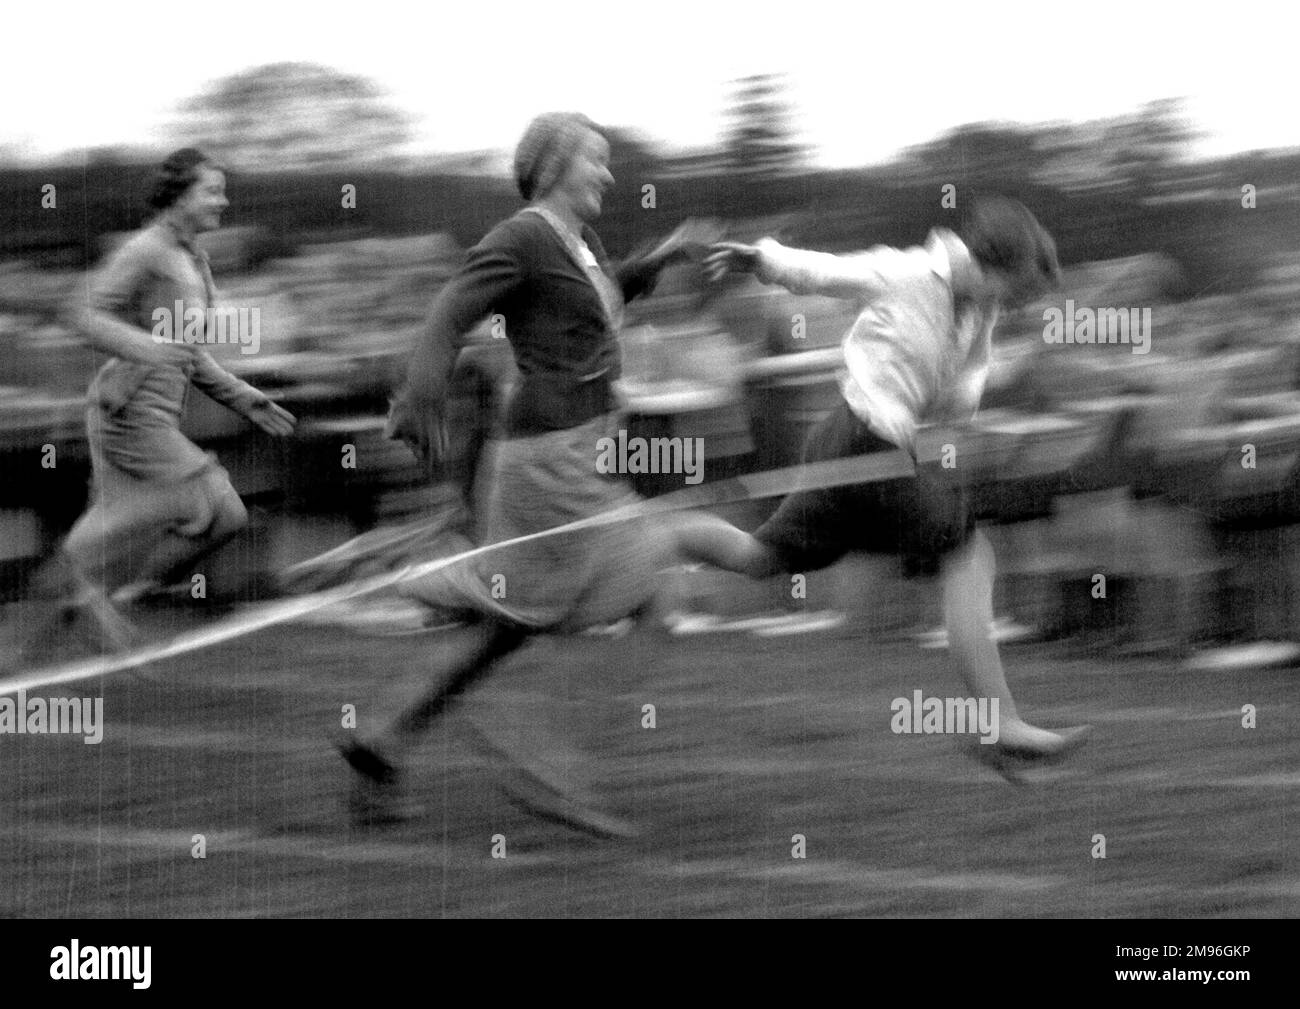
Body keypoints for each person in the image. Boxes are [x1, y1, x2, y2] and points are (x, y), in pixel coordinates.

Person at [341, 112, 746, 831]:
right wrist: (419, 396)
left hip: (569, 457)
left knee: (508, 625)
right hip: (551, 468)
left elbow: (599, 301)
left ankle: (385, 736)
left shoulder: (578, 243)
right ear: (556, 163)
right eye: (597, 158)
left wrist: (665, 254)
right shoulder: (522, 236)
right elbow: (447, 316)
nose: (609, 173)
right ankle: (554, 763)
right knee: (655, 593)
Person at [702, 197, 1089, 758]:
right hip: (864, 437)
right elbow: (826, 271)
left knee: (761, 559)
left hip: (859, 444)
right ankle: (996, 723)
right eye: (1016, 291)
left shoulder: (979, 310)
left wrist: (976, 392)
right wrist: (759, 258)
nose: (1015, 306)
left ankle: (664, 539)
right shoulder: (908, 273)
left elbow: (964, 387)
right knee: (968, 553)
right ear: (991, 265)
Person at [39, 148, 296, 649]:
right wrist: (148, 348)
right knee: (221, 510)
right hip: (128, 411)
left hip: (148, 411)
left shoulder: (193, 260)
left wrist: (244, 398)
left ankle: (41, 639)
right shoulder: (147, 249)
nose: (223, 201)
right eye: (212, 190)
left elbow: (188, 351)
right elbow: (80, 314)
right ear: (179, 196)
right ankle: (109, 597)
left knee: (112, 532)